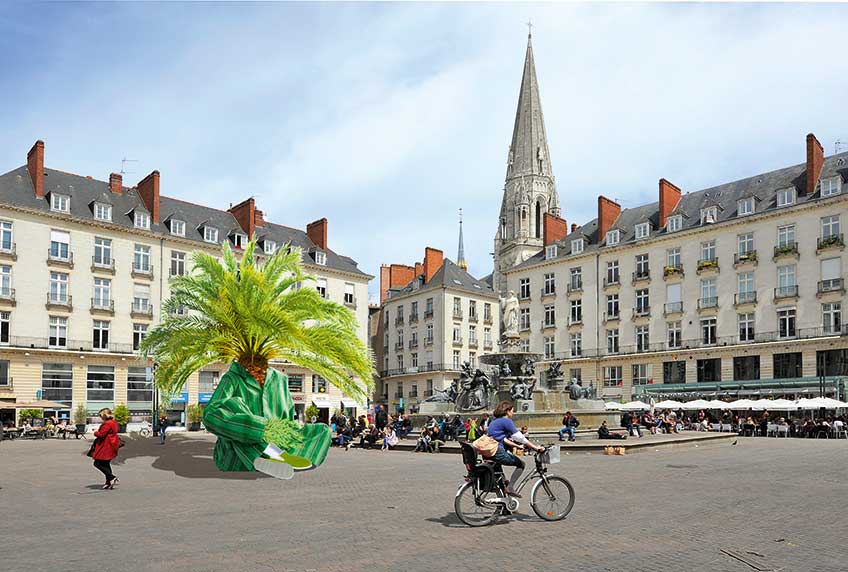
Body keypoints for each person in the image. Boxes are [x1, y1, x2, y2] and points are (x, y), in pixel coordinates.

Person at [486, 401, 545, 497]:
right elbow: (520, 437)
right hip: (497, 451)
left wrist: (517, 446)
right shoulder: (506, 421)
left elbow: (503, 439)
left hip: (489, 451)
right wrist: (536, 447)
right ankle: (510, 487)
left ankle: (503, 503)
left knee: (500, 478)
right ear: (507, 411)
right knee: (521, 464)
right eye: (512, 411)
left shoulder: (494, 421)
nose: (513, 413)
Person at [92, 408, 121, 490]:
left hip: (106, 445)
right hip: (111, 444)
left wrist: (95, 432)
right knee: (105, 464)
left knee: (97, 463)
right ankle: (108, 482)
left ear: (104, 415)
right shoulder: (113, 422)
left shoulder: (107, 423)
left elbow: (101, 434)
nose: (100, 417)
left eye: (101, 415)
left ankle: (112, 477)